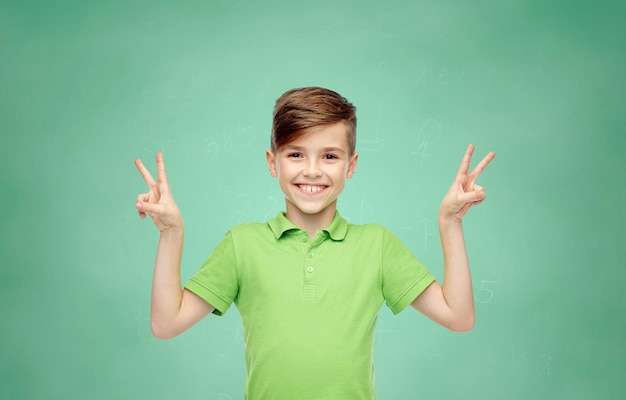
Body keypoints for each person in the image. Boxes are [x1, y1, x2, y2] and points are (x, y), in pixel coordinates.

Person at [134, 86, 495, 399]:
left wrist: (450, 223)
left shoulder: (377, 245)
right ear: (272, 162)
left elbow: (458, 317)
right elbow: (166, 324)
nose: (312, 170)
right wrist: (170, 234)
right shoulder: (242, 245)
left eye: (329, 156)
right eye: (295, 154)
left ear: (350, 166)